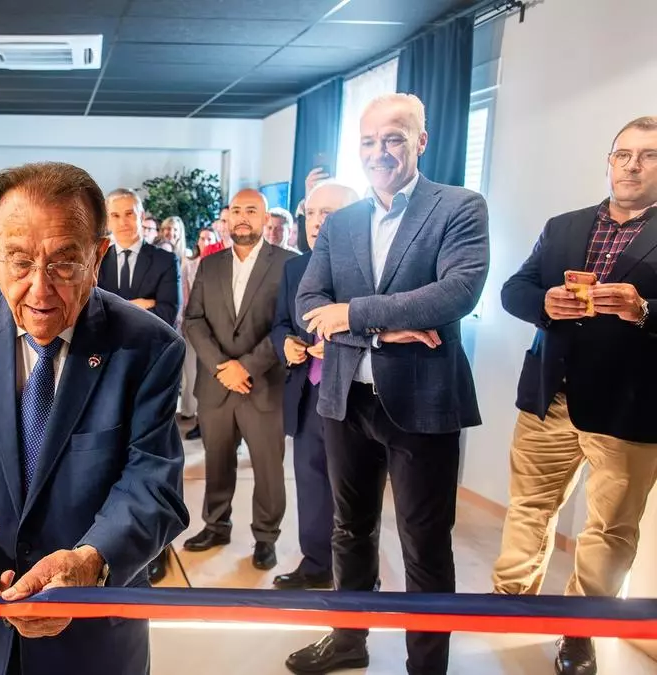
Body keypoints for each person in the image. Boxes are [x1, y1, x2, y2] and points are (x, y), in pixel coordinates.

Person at [0, 161, 189, 675]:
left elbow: (153, 487)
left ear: (98, 255)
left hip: (95, 632)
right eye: (19, 261)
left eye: (63, 263)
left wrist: (91, 562)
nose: (39, 291)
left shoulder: (148, 346)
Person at [288, 94, 489, 675]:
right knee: (349, 530)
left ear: (421, 142)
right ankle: (347, 640)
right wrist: (386, 331)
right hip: (345, 398)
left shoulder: (459, 207)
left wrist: (352, 317)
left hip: (424, 403)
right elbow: (308, 301)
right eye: (370, 141)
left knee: (424, 543)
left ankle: (426, 665)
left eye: (394, 138)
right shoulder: (343, 220)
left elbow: (456, 293)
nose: (381, 152)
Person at [493, 116, 657, 675]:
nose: (633, 164)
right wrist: (545, 304)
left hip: (630, 406)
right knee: (528, 509)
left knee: (609, 528)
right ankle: (510, 606)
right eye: (623, 154)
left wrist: (645, 311)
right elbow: (513, 288)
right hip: (549, 397)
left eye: (649, 155)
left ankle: (580, 630)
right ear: (608, 162)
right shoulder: (563, 226)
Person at [182, 189, 295, 571]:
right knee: (217, 461)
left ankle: (266, 537)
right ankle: (216, 525)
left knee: (267, 467)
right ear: (227, 219)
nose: (243, 217)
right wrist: (220, 366)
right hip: (216, 386)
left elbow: (289, 326)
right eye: (236, 210)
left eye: (252, 210)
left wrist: (246, 366)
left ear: (266, 220)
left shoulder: (288, 264)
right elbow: (193, 320)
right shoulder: (210, 266)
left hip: (263, 384)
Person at [269, 181, 358, 591]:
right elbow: (281, 324)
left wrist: (337, 344)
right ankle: (316, 561)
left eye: (330, 213)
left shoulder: (366, 266)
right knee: (310, 481)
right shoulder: (295, 268)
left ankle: (357, 572)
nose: (317, 222)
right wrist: (285, 344)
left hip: (355, 396)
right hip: (308, 393)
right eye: (312, 214)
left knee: (353, 490)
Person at [97, 188, 181, 327]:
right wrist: (140, 305)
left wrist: (112, 311)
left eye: (129, 214)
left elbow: (167, 315)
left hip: (150, 345)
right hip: (106, 347)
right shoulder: (97, 260)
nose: (123, 222)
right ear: (107, 222)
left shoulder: (166, 261)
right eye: (115, 216)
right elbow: (91, 314)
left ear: (141, 216)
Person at [180, 228, 220, 442]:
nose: (205, 241)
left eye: (209, 238)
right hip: (195, 326)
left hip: (218, 331)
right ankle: (198, 419)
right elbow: (187, 299)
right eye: (202, 238)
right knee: (195, 376)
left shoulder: (222, 264)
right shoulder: (191, 264)